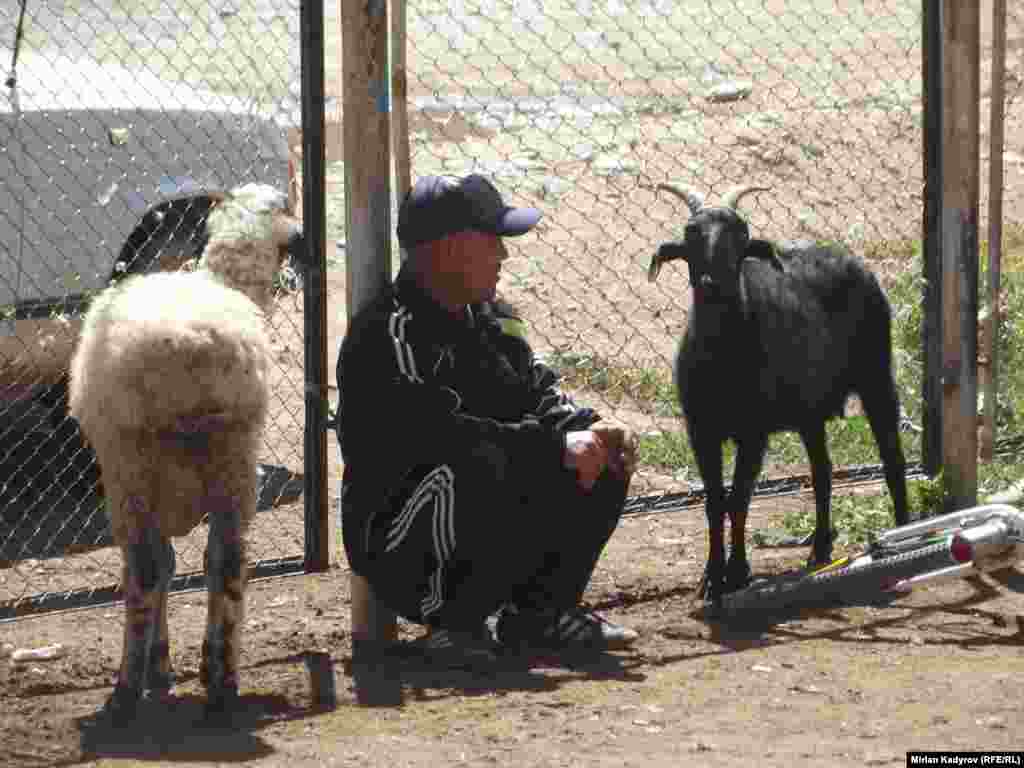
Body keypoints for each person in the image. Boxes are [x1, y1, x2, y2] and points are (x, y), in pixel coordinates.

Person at [336, 173, 639, 665]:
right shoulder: (389, 334)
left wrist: (591, 427)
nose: (504, 255)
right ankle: (454, 623)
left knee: (598, 451)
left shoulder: (492, 316)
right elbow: (441, 437)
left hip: (477, 499)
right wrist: (553, 447)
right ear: (446, 251)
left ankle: (542, 614)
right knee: (475, 462)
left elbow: (538, 395)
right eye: (492, 241)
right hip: (399, 536)